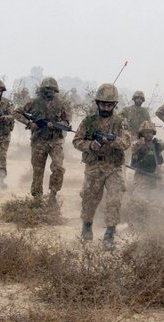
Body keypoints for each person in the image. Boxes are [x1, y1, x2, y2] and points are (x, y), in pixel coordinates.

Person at [73, 83, 130, 248]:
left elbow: (126, 142)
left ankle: (109, 234)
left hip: (114, 167)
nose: (106, 107)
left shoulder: (120, 122)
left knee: (114, 199)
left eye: (109, 104)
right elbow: (76, 141)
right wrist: (91, 145)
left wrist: (112, 141)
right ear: (97, 103)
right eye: (103, 104)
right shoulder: (88, 121)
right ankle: (87, 226)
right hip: (94, 167)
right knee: (89, 199)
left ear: (114, 105)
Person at [14, 77, 71, 202]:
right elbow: (17, 113)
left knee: (58, 168)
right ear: (42, 89)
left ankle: (53, 195)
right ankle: (37, 198)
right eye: (46, 89)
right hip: (38, 141)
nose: (49, 91)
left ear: (55, 90)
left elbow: (67, 123)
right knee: (38, 170)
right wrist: (29, 123)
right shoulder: (34, 102)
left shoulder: (62, 104)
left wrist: (56, 124)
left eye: (51, 89)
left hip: (56, 141)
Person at [130, 120, 164, 193]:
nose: (148, 134)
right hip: (141, 175)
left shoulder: (157, 143)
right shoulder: (137, 143)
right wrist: (141, 143)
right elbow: (133, 148)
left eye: (150, 132)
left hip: (155, 174)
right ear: (142, 133)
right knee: (139, 196)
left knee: (160, 195)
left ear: (153, 133)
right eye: (146, 132)